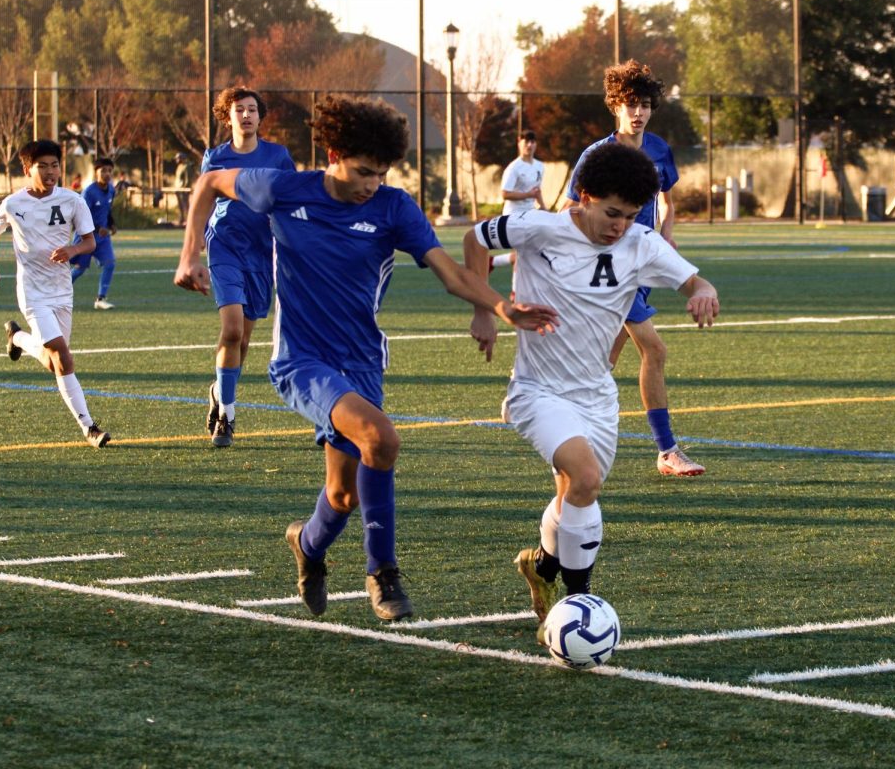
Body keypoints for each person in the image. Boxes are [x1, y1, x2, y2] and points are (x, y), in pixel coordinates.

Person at [174, 96, 559, 622]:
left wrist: (497, 307)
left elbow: (450, 272)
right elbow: (206, 185)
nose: (370, 184)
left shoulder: (393, 207)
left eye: (380, 174)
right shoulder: (284, 188)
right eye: (362, 172)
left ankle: (308, 546)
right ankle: (383, 571)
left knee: (343, 494)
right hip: (301, 360)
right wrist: (190, 254)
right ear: (333, 154)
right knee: (382, 437)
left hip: (362, 362)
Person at [465, 141, 719, 643]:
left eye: (627, 216)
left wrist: (703, 290)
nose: (618, 226)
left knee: (574, 492)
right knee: (584, 477)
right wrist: (485, 309)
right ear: (582, 196)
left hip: (598, 396)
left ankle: (541, 565)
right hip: (538, 390)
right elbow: (475, 241)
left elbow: (693, 280)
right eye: (610, 213)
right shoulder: (538, 227)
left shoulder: (641, 242)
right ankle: (577, 606)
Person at [561, 59, 704, 477]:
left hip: (642, 263)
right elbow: (571, 207)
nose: (637, 112)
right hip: (608, 267)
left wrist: (667, 233)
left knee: (606, 356)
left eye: (644, 104)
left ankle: (561, 408)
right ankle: (668, 450)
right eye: (629, 104)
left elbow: (666, 199)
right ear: (614, 107)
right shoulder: (598, 155)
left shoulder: (659, 150)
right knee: (654, 349)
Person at [0, 139, 110, 449]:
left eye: (55, 165)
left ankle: (18, 339)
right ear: (27, 169)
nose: (51, 172)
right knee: (63, 355)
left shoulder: (73, 200)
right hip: (32, 292)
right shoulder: (13, 203)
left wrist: (73, 249)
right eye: (43, 166)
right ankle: (89, 427)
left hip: (62, 291)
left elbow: (90, 242)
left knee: (54, 364)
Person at [195, 87, 296, 448]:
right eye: (240, 109)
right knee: (233, 330)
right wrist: (194, 250)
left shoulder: (278, 156)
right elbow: (202, 202)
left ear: (260, 116)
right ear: (228, 116)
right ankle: (227, 416)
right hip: (225, 246)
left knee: (245, 339)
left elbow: (290, 200)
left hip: (263, 253)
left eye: (252, 109)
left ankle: (219, 391)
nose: (247, 115)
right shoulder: (216, 157)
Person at [70, 157, 119, 310]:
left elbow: (107, 210)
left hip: (103, 238)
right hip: (86, 237)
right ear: (96, 172)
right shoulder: (89, 192)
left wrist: (111, 224)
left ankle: (100, 298)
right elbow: (82, 215)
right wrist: (98, 228)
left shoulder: (111, 189)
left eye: (110, 171)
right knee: (79, 269)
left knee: (110, 264)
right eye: (103, 170)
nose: (107, 173)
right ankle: (56, 295)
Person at [500, 130, 545, 215]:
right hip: (513, 214)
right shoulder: (513, 167)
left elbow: (537, 191)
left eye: (532, 142)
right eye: (527, 141)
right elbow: (505, 194)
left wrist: (543, 207)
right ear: (519, 142)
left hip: (530, 213)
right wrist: (527, 195)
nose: (529, 145)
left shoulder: (540, 166)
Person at [174, 153, 191, 224]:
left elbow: (188, 179)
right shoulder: (179, 167)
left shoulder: (186, 166)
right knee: (180, 205)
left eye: (178, 158)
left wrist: (185, 187)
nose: (177, 160)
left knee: (185, 205)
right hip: (177, 188)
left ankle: (188, 219)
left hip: (183, 189)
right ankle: (181, 218)